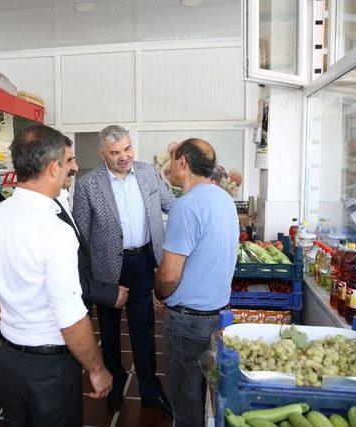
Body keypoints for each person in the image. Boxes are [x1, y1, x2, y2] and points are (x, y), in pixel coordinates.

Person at [0, 125, 113, 427]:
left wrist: (20, 331)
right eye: (68, 161)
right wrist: (96, 368)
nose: (74, 167)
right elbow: (70, 316)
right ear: (53, 168)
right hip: (50, 369)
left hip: (10, 360)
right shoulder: (55, 232)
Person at [73, 125, 175, 415]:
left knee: (143, 329)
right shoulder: (88, 183)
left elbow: (171, 204)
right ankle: (116, 385)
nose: (123, 156)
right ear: (102, 153)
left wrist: (202, 202)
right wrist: (88, 278)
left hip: (143, 261)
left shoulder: (147, 173)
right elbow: (81, 233)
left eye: (127, 149)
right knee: (109, 330)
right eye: (115, 152)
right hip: (106, 268)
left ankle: (150, 390)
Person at [154, 138, 239, 427]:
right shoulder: (224, 199)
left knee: (186, 400)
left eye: (174, 158)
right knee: (211, 397)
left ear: (182, 163)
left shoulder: (185, 207)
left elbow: (168, 276)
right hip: (219, 316)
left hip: (188, 322)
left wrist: (159, 293)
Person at [55, 137, 129, 310]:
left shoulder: (60, 198)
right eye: (69, 161)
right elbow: (62, 274)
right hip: (60, 320)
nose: (76, 167)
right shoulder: (45, 214)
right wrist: (103, 292)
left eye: (127, 149)